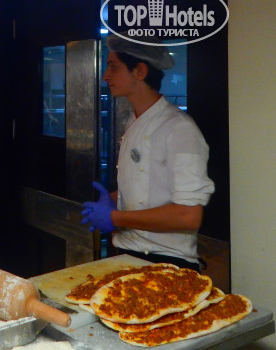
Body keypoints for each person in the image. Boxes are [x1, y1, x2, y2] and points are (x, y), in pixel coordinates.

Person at [81, 32, 215, 271]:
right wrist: (113, 199)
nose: (105, 76)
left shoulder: (179, 128)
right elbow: (150, 183)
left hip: (166, 262)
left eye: (113, 67)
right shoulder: (135, 120)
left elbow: (188, 216)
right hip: (128, 253)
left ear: (140, 71)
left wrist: (115, 218)